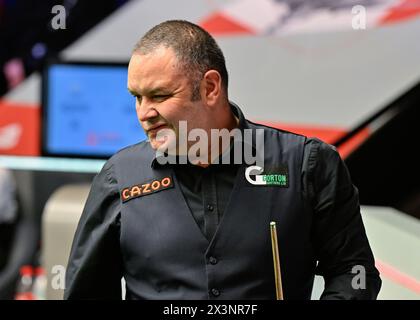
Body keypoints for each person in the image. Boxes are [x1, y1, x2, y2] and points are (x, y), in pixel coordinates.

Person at [64, 20, 381, 300]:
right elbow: (86, 292)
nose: (144, 113)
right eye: (137, 97)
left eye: (159, 96)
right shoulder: (119, 176)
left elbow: (354, 272)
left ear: (210, 88)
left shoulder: (306, 164)